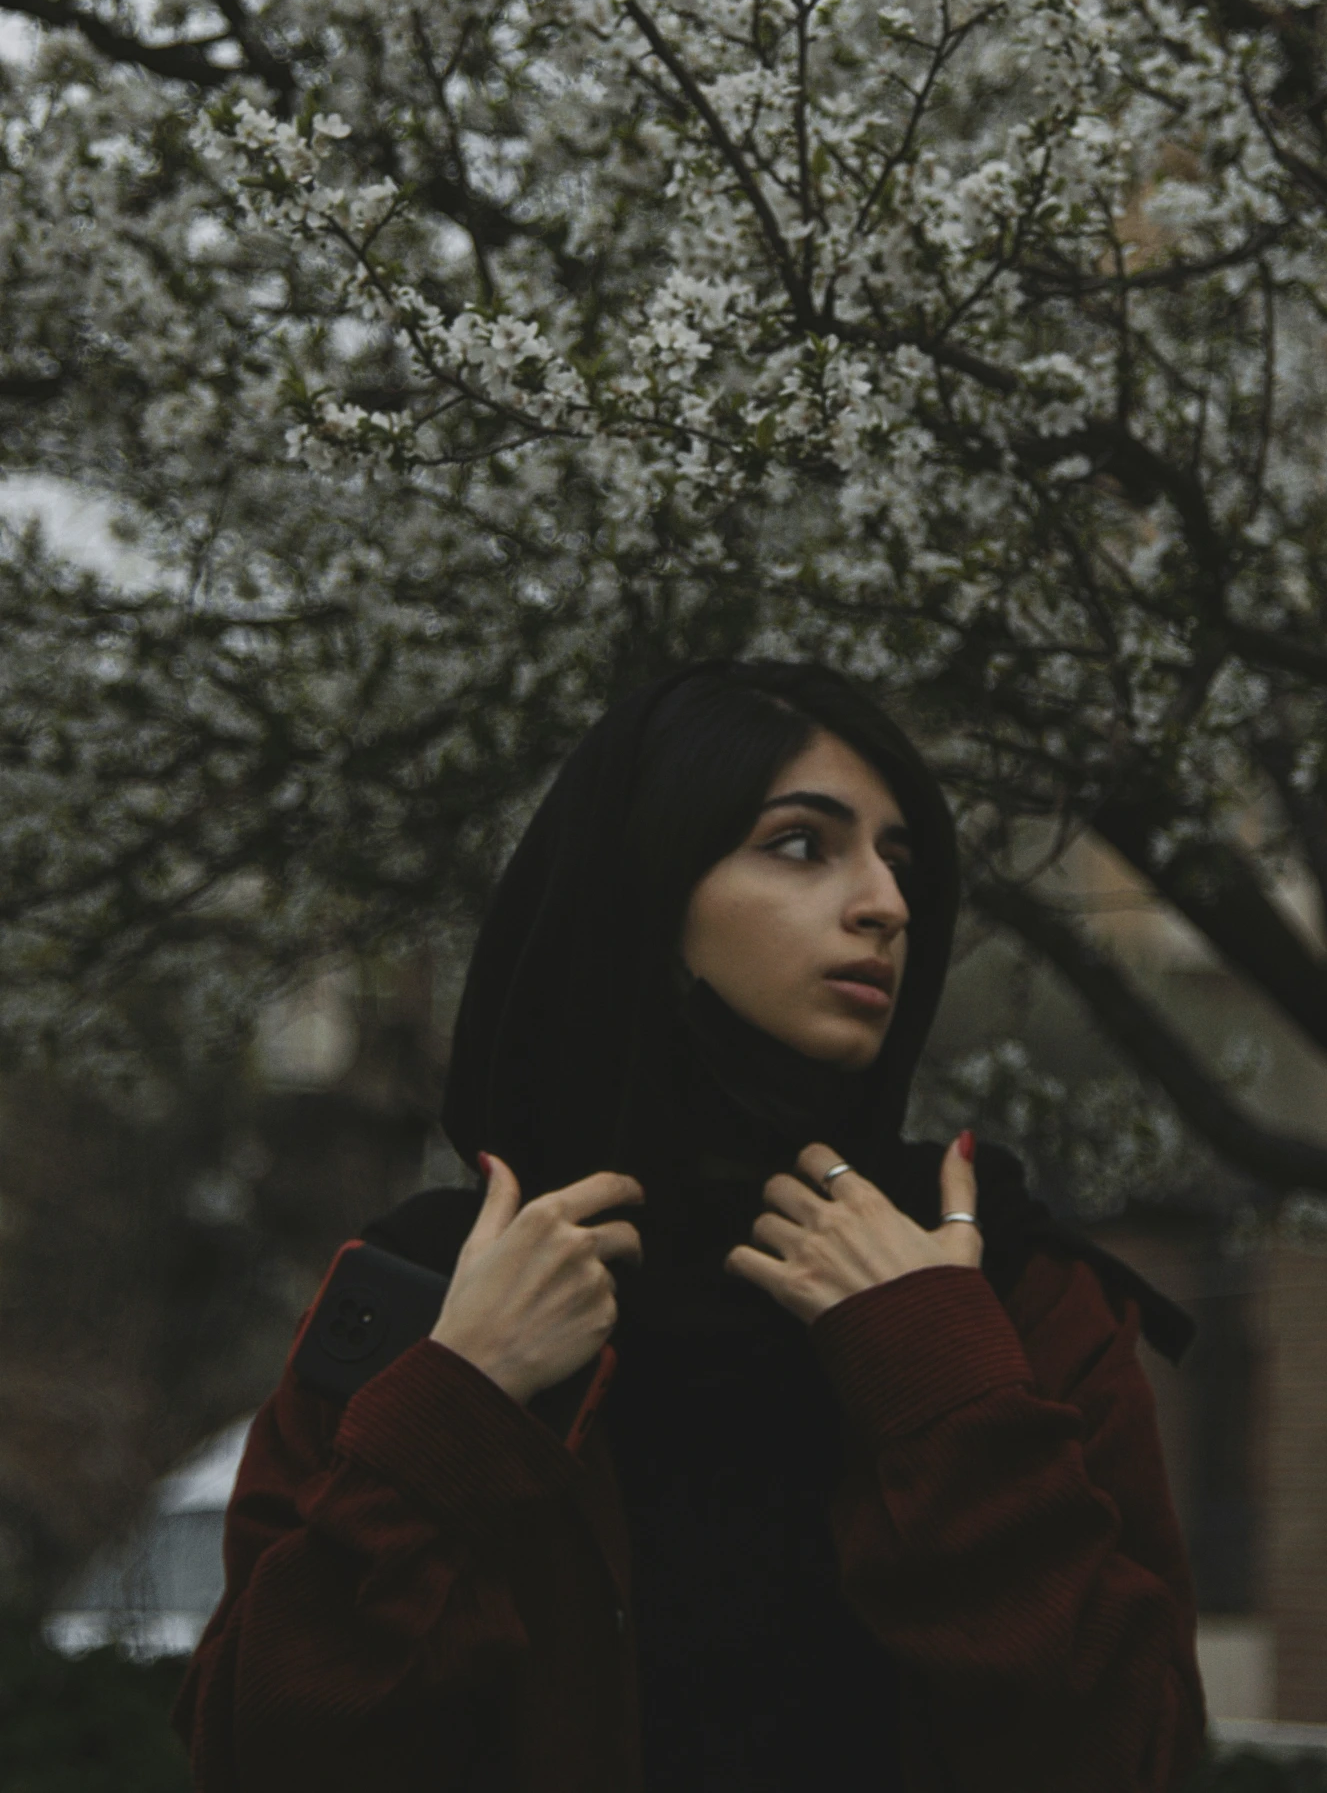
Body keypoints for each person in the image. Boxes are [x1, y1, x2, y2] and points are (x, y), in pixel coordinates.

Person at [173, 659, 1206, 1793]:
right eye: (803, 844)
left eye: (899, 860)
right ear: (647, 893)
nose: (887, 905)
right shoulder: (436, 1291)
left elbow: (1137, 1753)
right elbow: (258, 1751)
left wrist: (937, 1378)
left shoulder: (998, 1290)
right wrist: (457, 1406)